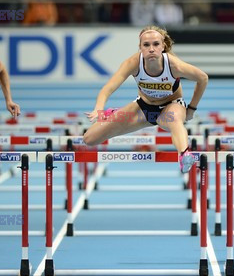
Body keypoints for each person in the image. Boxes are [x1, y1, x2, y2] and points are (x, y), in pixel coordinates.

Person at [83, 25, 208, 173]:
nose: (151, 49)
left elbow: (203, 78)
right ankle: (115, 112)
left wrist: (192, 108)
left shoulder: (174, 65)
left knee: (174, 119)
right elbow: (108, 88)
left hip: (170, 107)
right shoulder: (133, 63)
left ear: (163, 46)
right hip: (143, 109)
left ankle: (184, 155)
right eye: (146, 45)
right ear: (140, 48)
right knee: (89, 139)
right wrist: (99, 107)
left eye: (156, 44)